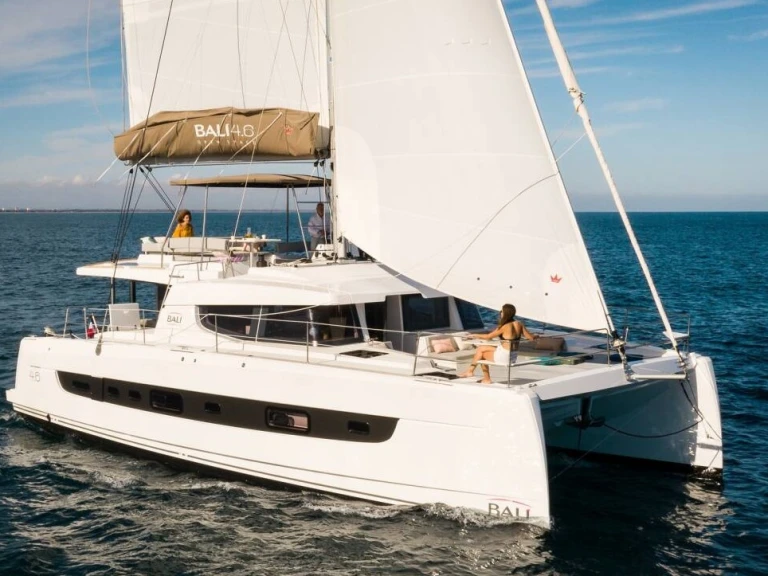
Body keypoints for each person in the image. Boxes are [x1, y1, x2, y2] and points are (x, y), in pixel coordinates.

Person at [458, 303, 538, 384]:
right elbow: (530, 338)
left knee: (481, 355)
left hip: (504, 357)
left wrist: (474, 335)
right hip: (513, 356)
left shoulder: (504, 326)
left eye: (502, 311)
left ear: (506, 313)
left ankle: (485, 378)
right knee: (481, 348)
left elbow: (488, 337)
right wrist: (536, 336)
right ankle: (470, 371)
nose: (500, 313)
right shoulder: (519, 324)